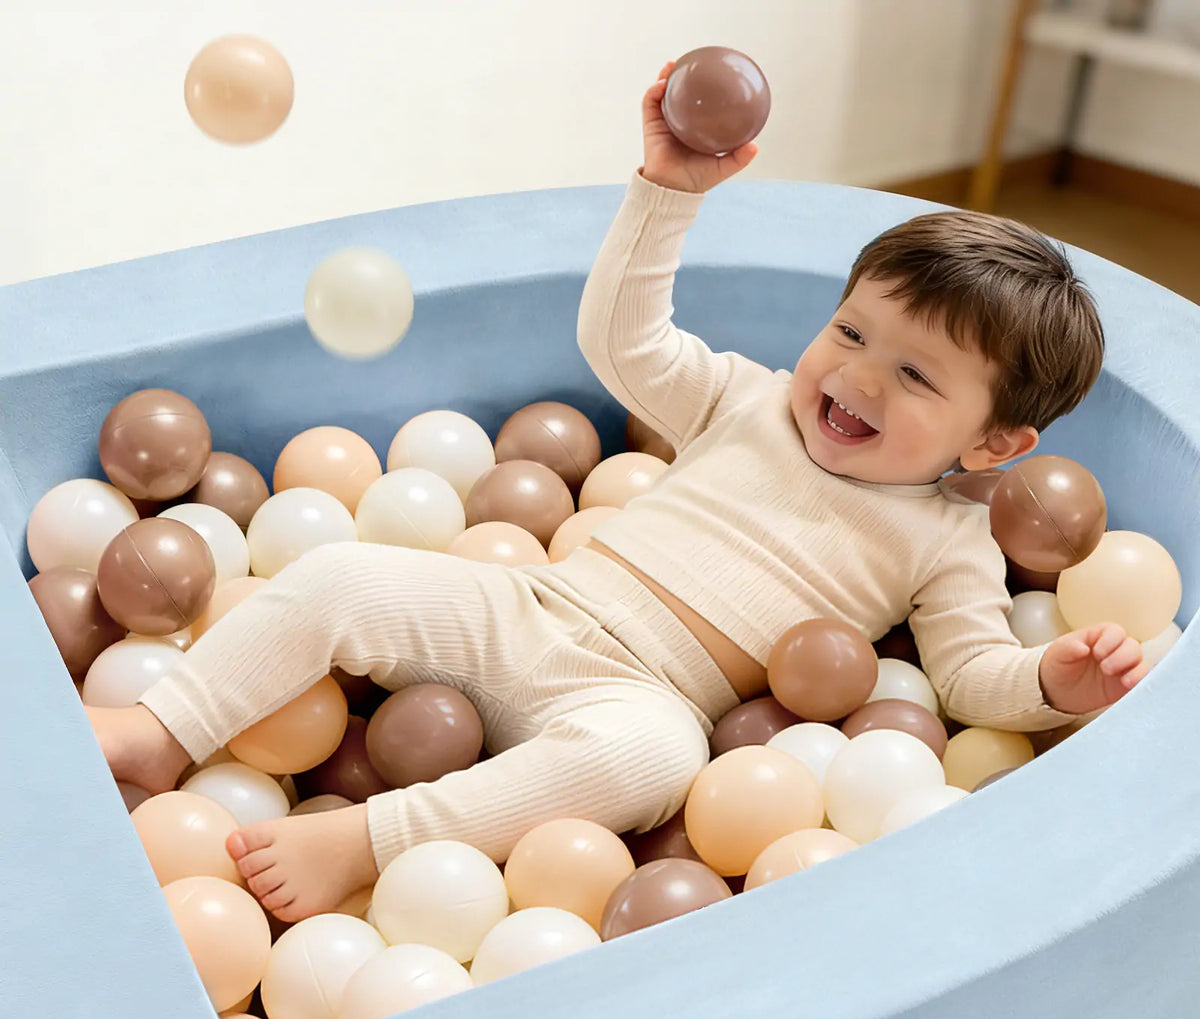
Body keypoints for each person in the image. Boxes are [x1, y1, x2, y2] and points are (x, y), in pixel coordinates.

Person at [87, 61, 1145, 922]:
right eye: (850, 331)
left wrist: (1052, 683)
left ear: (996, 442)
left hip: (641, 695)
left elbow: (967, 676)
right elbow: (623, 341)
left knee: (658, 760)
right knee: (339, 575)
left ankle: (368, 840)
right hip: (530, 606)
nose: (857, 378)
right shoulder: (748, 399)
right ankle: (161, 729)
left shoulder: (949, 539)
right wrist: (667, 193)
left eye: (914, 376)